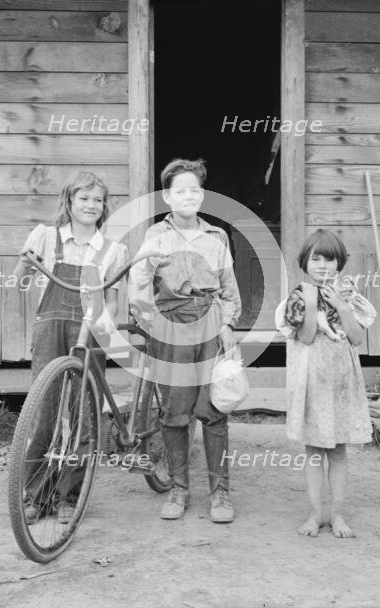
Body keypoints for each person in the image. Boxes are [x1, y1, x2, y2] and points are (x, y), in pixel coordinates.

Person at [129, 158, 241, 523]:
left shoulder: (216, 238)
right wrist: (145, 318)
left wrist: (227, 325)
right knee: (175, 411)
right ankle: (179, 488)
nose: (188, 196)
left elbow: (228, 289)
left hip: (208, 324)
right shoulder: (154, 237)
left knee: (213, 409)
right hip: (170, 328)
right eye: (180, 191)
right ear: (167, 196)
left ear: (203, 195)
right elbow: (140, 283)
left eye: (195, 190)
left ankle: (220, 493)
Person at [13, 171, 128, 524]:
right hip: (50, 329)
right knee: (43, 411)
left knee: (83, 414)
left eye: (98, 200)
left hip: (90, 332)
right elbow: (20, 282)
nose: (91, 205)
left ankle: (70, 496)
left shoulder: (113, 249)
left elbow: (112, 301)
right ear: (69, 201)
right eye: (84, 198)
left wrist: (98, 325)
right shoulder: (46, 237)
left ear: (104, 206)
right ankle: (36, 494)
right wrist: (24, 261)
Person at [275, 229, 376, 538]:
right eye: (315, 259)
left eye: (329, 259)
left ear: (339, 263)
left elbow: (357, 337)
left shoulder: (348, 294)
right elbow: (306, 336)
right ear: (305, 263)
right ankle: (316, 512)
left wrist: (342, 307)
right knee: (314, 450)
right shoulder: (298, 295)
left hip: (341, 381)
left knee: (339, 451)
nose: (322, 266)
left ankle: (338, 514)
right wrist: (309, 304)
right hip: (312, 381)